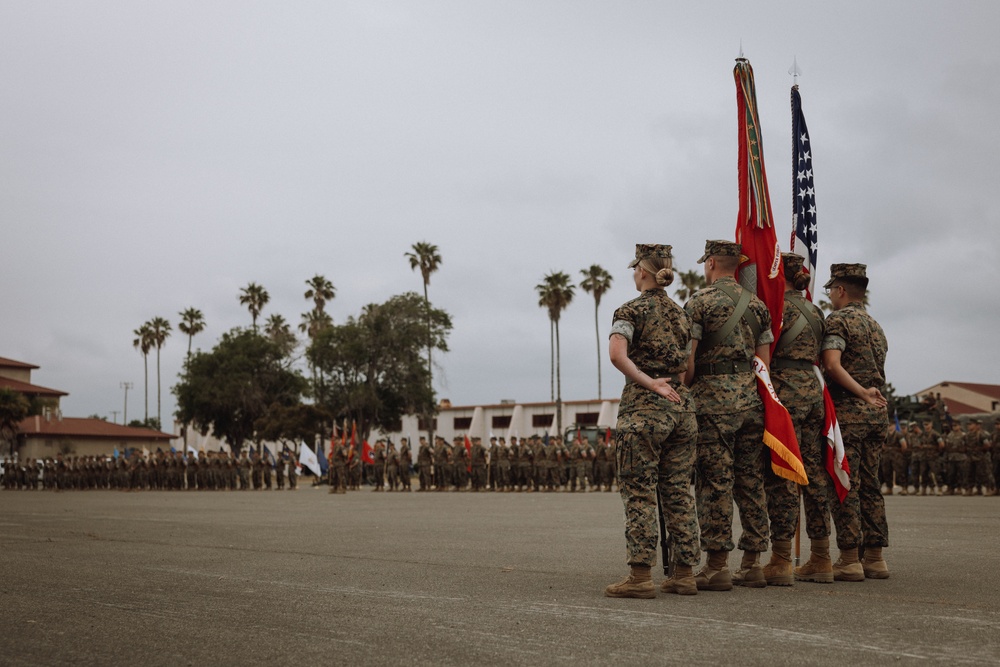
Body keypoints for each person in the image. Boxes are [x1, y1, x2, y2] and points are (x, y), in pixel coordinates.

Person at [604, 243, 701, 598]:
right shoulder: (682, 315)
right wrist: (674, 389)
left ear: (642, 271)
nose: (633, 274)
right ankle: (685, 573)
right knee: (678, 492)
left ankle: (641, 576)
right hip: (682, 408)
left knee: (640, 491)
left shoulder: (630, 310)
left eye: (635, 269)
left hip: (645, 409)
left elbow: (617, 354)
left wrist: (650, 383)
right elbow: (689, 366)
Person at [685, 240, 773, 591]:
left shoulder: (698, 302)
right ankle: (753, 563)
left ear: (710, 263)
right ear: (737, 265)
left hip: (712, 404)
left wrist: (685, 387)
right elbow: (764, 362)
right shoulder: (758, 305)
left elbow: (688, 362)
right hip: (751, 403)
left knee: (714, 482)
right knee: (750, 481)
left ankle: (717, 565)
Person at [821, 263, 890, 580]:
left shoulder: (838, 321)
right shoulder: (876, 326)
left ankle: (849, 558)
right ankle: (874, 557)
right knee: (871, 484)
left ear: (840, 290)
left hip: (850, 411)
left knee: (846, 483)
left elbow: (833, 365)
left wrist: (860, 392)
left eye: (830, 290)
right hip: (877, 414)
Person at [767, 253, 831, 585]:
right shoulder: (817, 311)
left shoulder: (779, 309)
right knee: (815, 473)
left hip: (786, 392)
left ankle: (780, 559)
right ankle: (821, 556)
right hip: (813, 392)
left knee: (784, 473)